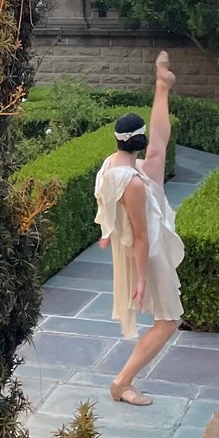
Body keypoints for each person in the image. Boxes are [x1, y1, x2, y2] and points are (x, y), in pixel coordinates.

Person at [94, 50, 184, 406]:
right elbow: (142, 236)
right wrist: (142, 278)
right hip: (147, 249)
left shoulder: (110, 165)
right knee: (168, 321)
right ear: (138, 141)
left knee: (158, 155)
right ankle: (122, 382)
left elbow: (105, 202)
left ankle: (162, 86)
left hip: (138, 234)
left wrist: (105, 231)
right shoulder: (132, 183)